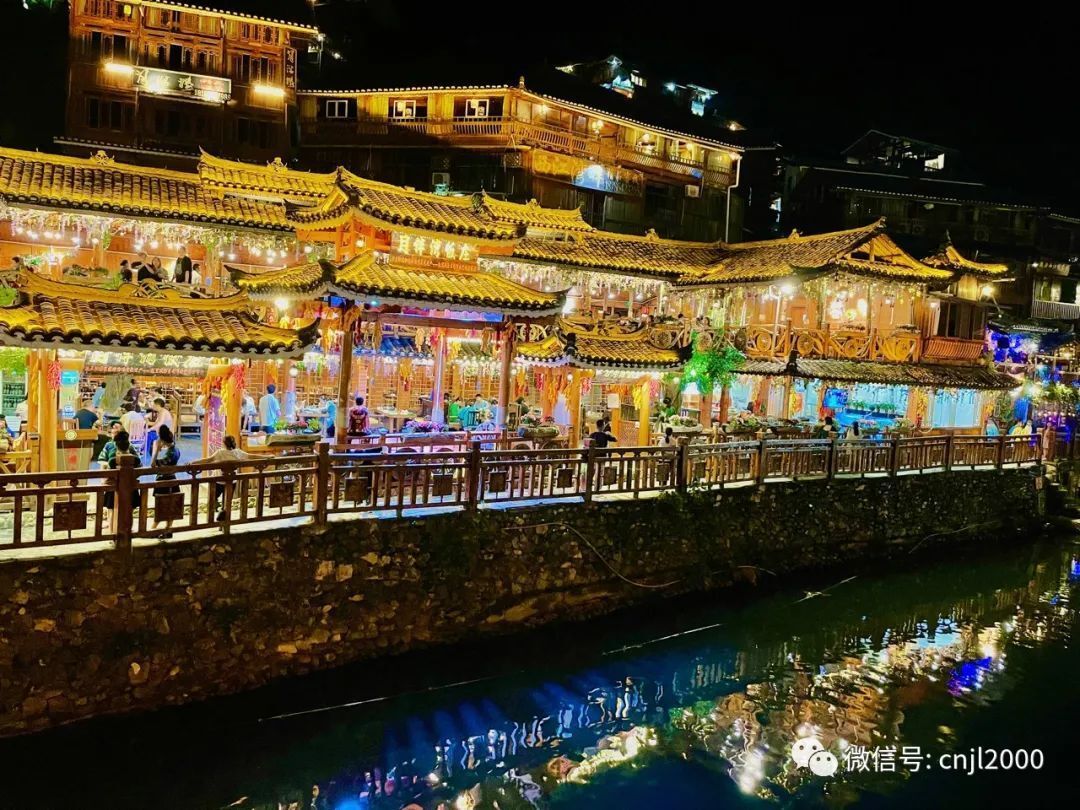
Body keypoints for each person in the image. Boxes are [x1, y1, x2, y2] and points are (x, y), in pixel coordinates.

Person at [195, 435, 257, 522]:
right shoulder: (238, 452)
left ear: (224, 444)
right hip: (232, 481)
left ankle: (212, 519)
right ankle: (224, 520)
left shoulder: (220, 453)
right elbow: (251, 456)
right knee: (227, 502)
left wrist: (194, 462)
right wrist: (267, 457)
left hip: (219, 481)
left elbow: (208, 460)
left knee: (212, 499)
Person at [103, 430, 140, 530]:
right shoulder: (136, 459)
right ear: (129, 445)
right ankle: (128, 531)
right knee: (129, 512)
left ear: (116, 446)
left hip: (115, 489)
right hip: (131, 489)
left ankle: (112, 532)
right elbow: (139, 472)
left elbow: (108, 475)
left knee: (113, 512)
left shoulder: (112, 461)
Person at [151, 424, 181, 536]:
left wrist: (156, 450)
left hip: (164, 480)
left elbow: (153, 464)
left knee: (161, 505)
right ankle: (168, 528)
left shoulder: (169, 453)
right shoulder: (176, 449)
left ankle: (153, 530)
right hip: (172, 479)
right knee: (170, 505)